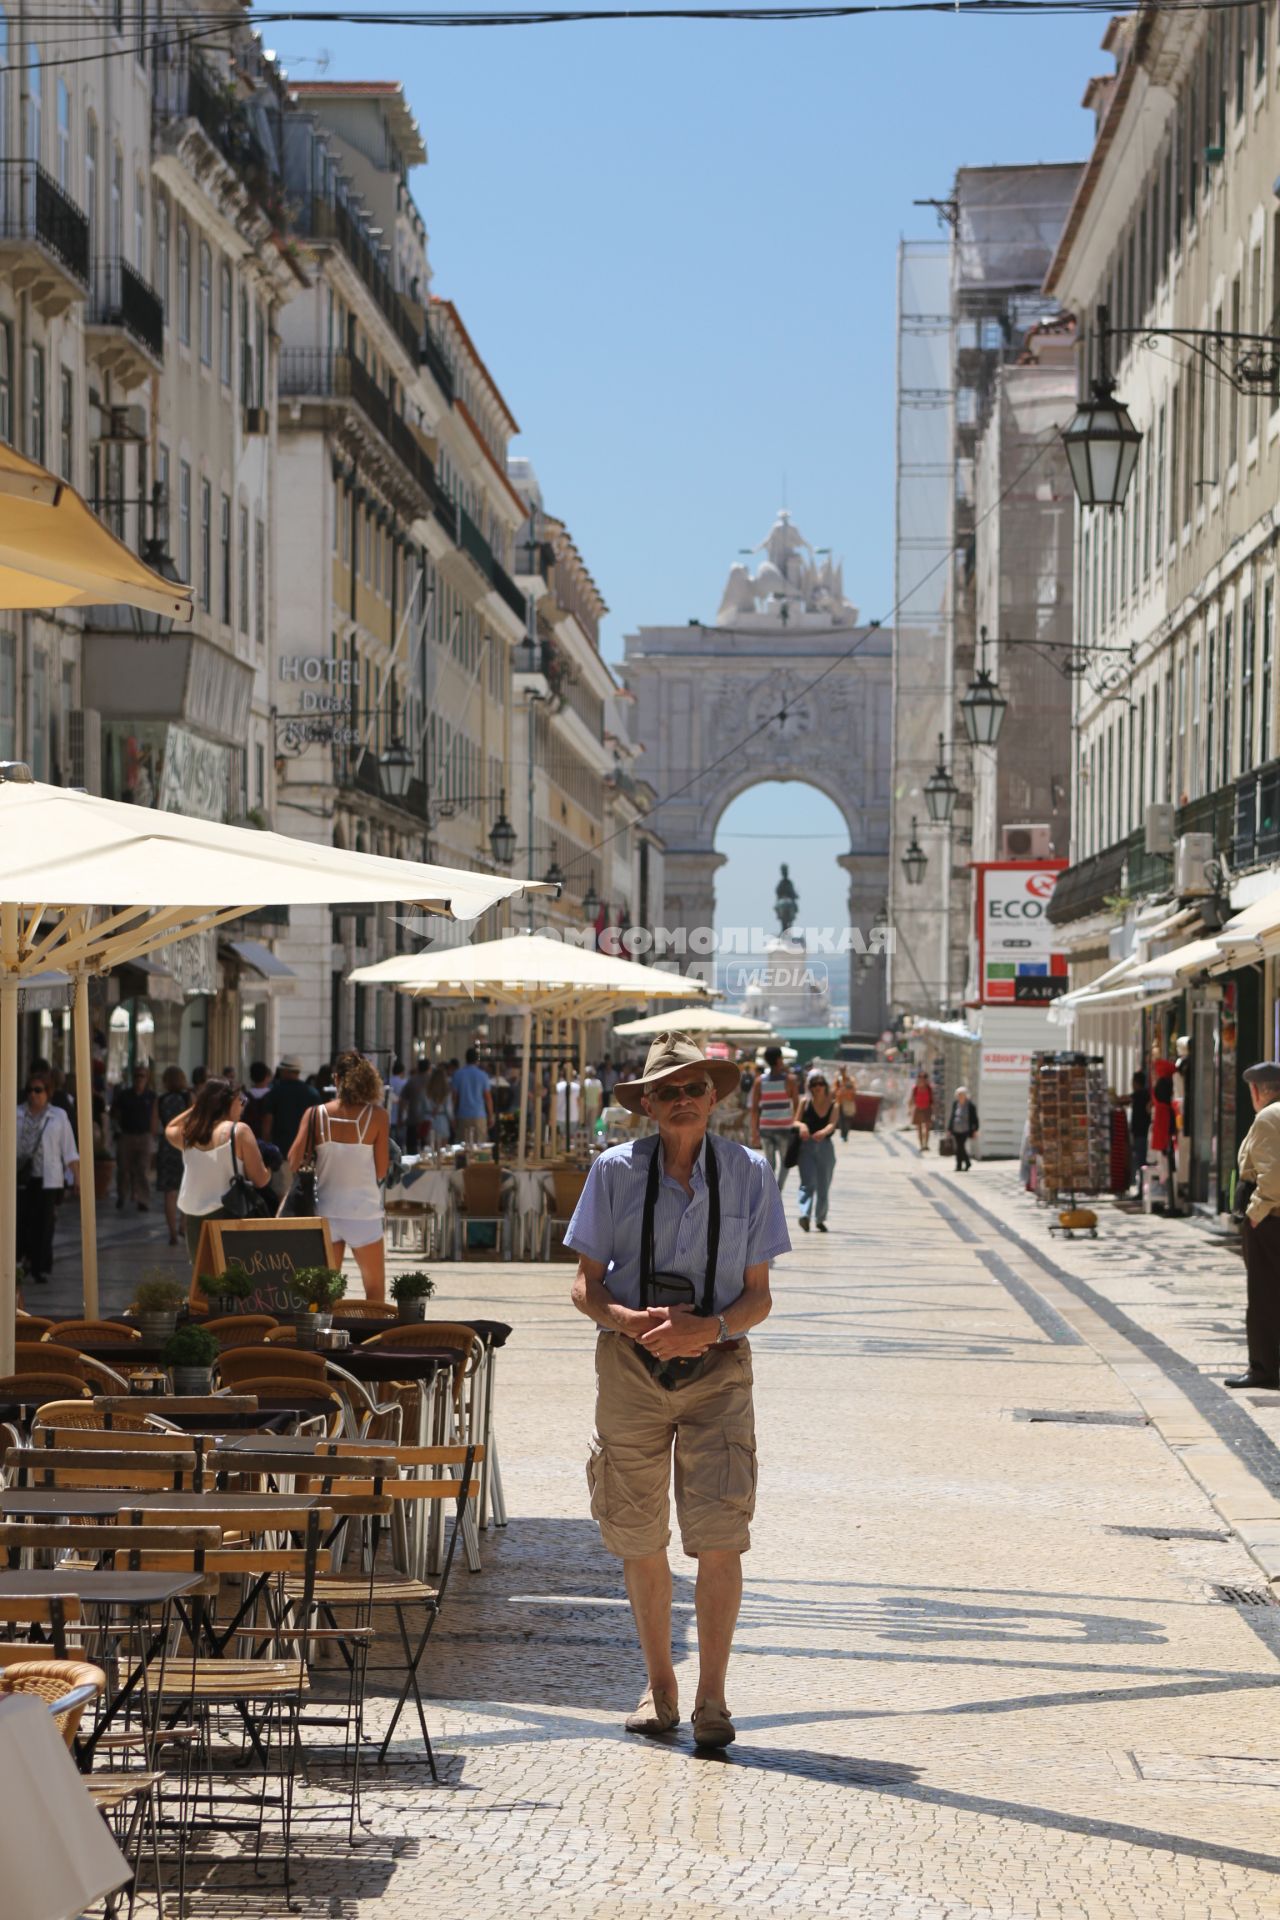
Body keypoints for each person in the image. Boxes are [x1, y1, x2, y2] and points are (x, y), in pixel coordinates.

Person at [566, 1033, 790, 1750]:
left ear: (715, 1097)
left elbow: (759, 1298)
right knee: (638, 1533)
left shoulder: (751, 1172)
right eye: (668, 1091)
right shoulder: (613, 1172)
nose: (683, 1100)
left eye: (695, 1087)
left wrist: (710, 1327)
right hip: (630, 1369)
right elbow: (585, 1284)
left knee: (722, 1534)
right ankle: (660, 1685)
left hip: (719, 1370)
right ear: (648, 1106)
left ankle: (712, 1697)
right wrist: (627, 1319)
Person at [290, 1049, 390, 1302]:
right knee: (375, 1290)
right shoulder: (378, 1117)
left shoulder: (315, 1114)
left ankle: (323, 1337)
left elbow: (293, 1160)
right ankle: (371, 1339)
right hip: (364, 1213)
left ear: (335, 1079)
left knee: (324, 1292)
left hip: (326, 1211)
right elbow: (381, 1170)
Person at [167, 1076, 272, 1266]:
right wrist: (271, 1168)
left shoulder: (190, 1133)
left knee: (204, 1280)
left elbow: (170, 1128)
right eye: (240, 1101)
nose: (242, 1106)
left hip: (194, 1217)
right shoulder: (238, 1131)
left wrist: (198, 1106)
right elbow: (261, 1180)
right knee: (234, 1277)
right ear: (228, 1102)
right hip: (228, 1213)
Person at [1228, 1060, 1280, 1389]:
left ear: (1257, 1090)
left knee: (1263, 1294)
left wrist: (1255, 1214)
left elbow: (1272, 1177)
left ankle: (1262, 1367)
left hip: (1271, 1219)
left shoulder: (1268, 1118)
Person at [16, 1071, 79, 1284]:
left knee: (44, 1223)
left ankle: (39, 1267)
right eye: (30, 1090)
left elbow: (69, 1150)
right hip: (20, 1177)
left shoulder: (58, 1116)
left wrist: (77, 1178)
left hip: (49, 1178)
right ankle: (20, 1260)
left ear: (48, 1092)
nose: (33, 1095)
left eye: (38, 1090)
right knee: (21, 1220)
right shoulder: (16, 1113)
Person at [794, 1068, 838, 1232]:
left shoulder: (833, 1104)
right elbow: (795, 1121)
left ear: (825, 1086)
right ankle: (805, 1215)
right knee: (807, 1183)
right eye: (814, 1084)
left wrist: (824, 1132)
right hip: (807, 1147)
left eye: (820, 1084)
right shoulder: (804, 1102)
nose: (817, 1087)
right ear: (810, 1086)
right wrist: (802, 1126)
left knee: (823, 1185)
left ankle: (820, 1218)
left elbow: (832, 1124)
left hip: (825, 1148)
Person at [111, 1064, 157, 1211]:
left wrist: (153, 1134)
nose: (139, 1079)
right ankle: (122, 1195)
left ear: (147, 1078)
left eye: (142, 1076)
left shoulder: (151, 1096)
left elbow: (155, 1116)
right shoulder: (124, 1095)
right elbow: (115, 1113)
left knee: (142, 1169)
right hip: (127, 1136)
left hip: (144, 1136)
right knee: (123, 1168)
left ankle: (143, 1200)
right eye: (136, 1076)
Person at [154, 1066, 191, 1247]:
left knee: (169, 1193)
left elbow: (154, 1127)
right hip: (185, 1146)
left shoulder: (160, 1100)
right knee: (187, 1187)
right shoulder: (188, 1098)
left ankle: (172, 1233)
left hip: (166, 1146)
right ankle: (183, 1225)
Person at [751, 1045, 796, 1189]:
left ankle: (772, 1191)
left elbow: (754, 1109)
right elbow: (796, 1104)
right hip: (784, 1127)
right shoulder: (789, 1080)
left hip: (766, 1128)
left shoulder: (760, 1081)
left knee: (770, 1163)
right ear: (778, 1059)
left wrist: (754, 1132)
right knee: (785, 1162)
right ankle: (778, 1189)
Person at [262, 1053, 321, 1148]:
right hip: (305, 1152)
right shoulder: (313, 1094)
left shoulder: (274, 1093)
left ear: (284, 1070)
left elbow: (267, 1126)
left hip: (280, 1151)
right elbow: (318, 1125)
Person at [452, 1046, 493, 1149]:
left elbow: (454, 1098)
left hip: (463, 1115)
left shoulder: (458, 1074)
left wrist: (453, 1116)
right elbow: (487, 1097)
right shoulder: (483, 1075)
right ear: (477, 1060)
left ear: (466, 1059)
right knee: (480, 1146)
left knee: (463, 1147)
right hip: (479, 1115)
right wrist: (491, 1115)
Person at [1129, 1069, 1150, 1197]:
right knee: (1142, 1162)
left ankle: (1142, 1190)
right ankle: (1143, 1189)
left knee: (1141, 1162)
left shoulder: (1139, 1095)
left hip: (1140, 1134)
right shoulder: (1145, 1094)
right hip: (1143, 1132)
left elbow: (1126, 1099)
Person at [947, 1086, 979, 1171]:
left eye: (961, 1095)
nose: (960, 1096)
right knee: (959, 1147)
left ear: (965, 1095)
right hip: (956, 1129)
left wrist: (975, 1130)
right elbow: (952, 1117)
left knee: (960, 1147)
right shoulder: (955, 1104)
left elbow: (975, 1119)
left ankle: (962, 1164)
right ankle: (962, 1164)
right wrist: (949, 1129)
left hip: (965, 1129)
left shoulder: (970, 1106)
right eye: (958, 1095)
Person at [422, 1066, 453, 1150]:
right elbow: (449, 1110)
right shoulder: (446, 1092)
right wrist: (452, 1121)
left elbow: (422, 1107)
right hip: (442, 1120)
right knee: (442, 1151)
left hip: (429, 1119)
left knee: (430, 1150)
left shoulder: (426, 1091)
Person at [241, 1061, 273, 1139]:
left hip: (248, 1136)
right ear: (267, 1076)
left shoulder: (244, 1097)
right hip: (269, 1139)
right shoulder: (273, 1096)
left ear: (251, 1077)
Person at [834, 1067, 859, 1143]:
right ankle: (842, 1135)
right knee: (841, 1120)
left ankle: (846, 1135)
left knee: (847, 1119)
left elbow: (854, 1089)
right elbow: (835, 1088)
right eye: (841, 1070)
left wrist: (846, 1090)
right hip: (840, 1102)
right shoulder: (838, 1079)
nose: (842, 1072)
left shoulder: (850, 1079)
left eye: (843, 1070)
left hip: (848, 1101)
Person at [911, 1071, 934, 1152]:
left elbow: (932, 1100)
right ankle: (921, 1145)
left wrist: (934, 1110)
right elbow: (912, 1099)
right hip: (918, 1109)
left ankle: (926, 1145)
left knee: (927, 1128)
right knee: (919, 1128)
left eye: (923, 1078)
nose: (921, 1079)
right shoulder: (915, 1088)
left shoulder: (929, 1088)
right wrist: (910, 1110)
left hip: (927, 1109)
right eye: (920, 1077)